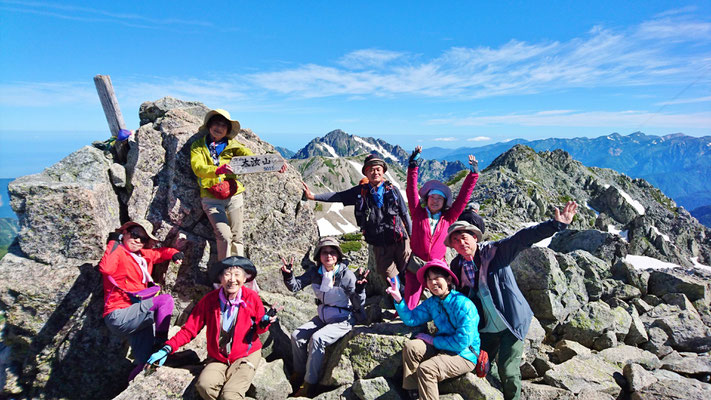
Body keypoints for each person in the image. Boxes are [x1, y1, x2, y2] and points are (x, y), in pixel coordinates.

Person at [444, 201, 578, 400]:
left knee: (508, 369)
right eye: (455, 241)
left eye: (463, 238)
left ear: (474, 237)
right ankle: (496, 390)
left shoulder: (493, 252)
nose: (461, 243)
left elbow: (521, 238)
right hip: (486, 327)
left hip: (511, 322)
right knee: (475, 363)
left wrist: (555, 225)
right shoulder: (456, 265)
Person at [146, 256, 276, 400]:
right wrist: (167, 348)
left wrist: (264, 323)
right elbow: (189, 330)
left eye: (237, 274)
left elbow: (259, 329)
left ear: (245, 279)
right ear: (220, 278)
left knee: (231, 396)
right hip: (218, 357)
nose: (232, 279)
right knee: (204, 386)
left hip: (245, 354)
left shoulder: (252, 298)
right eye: (227, 274)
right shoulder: (209, 301)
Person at [190, 109, 286, 272]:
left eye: (223, 125)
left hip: (234, 195)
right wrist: (217, 170)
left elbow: (252, 160)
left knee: (237, 236)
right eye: (215, 123)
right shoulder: (198, 146)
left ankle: (239, 271)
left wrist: (273, 164)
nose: (218, 128)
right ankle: (226, 272)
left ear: (227, 129)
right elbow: (197, 167)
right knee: (224, 236)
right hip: (210, 197)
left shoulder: (233, 145)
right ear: (209, 125)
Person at [302, 154, 412, 289]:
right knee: (390, 275)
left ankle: (411, 301)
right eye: (371, 169)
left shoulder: (393, 190)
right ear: (366, 173)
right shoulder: (361, 191)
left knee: (408, 272)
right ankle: (401, 298)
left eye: (378, 169)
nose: (375, 172)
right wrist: (313, 196)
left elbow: (405, 214)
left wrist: (413, 237)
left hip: (400, 240)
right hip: (380, 245)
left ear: (383, 171)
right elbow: (338, 196)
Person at [281, 237, 368, 397]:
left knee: (317, 338)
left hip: (344, 318)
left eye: (333, 252)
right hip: (323, 316)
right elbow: (296, 286)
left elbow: (358, 302)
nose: (328, 255)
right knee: (297, 336)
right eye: (324, 252)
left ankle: (309, 384)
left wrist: (360, 289)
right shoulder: (315, 273)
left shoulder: (346, 275)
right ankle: (299, 374)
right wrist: (288, 276)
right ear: (318, 256)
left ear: (338, 256)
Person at [98, 219, 184, 381]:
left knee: (147, 363)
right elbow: (106, 269)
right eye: (135, 235)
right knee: (165, 301)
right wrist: (113, 242)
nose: (138, 240)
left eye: (143, 239)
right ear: (125, 233)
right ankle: (161, 342)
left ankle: (128, 390)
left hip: (137, 316)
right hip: (119, 315)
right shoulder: (118, 251)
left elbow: (159, 253)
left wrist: (173, 254)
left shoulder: (143, 255)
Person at [385, 259, 481, 400]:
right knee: (411, 347)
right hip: (443, 347)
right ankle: (414, 391)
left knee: (427, 369)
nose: (433, 283)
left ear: (448, 280)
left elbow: (462, 342)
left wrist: (433, 340)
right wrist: (399, 300)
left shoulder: (464, 305)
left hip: (465, 354)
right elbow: (412, 319)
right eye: (429, 280)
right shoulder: (433, 302)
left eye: (437, 278)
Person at [404, 145, 479, 309]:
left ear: (445, 202)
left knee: (444, 298)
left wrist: (473, 175)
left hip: (437, 265)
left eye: (440, 198)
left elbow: (463, 199)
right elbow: (411, 190)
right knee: (410, 301)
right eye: (432, 197)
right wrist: (413, 165)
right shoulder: (418, 213)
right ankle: (407, 320)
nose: (435, 201)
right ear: (427, 198)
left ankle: (447, 315)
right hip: (416, 263)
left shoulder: (449, 217)